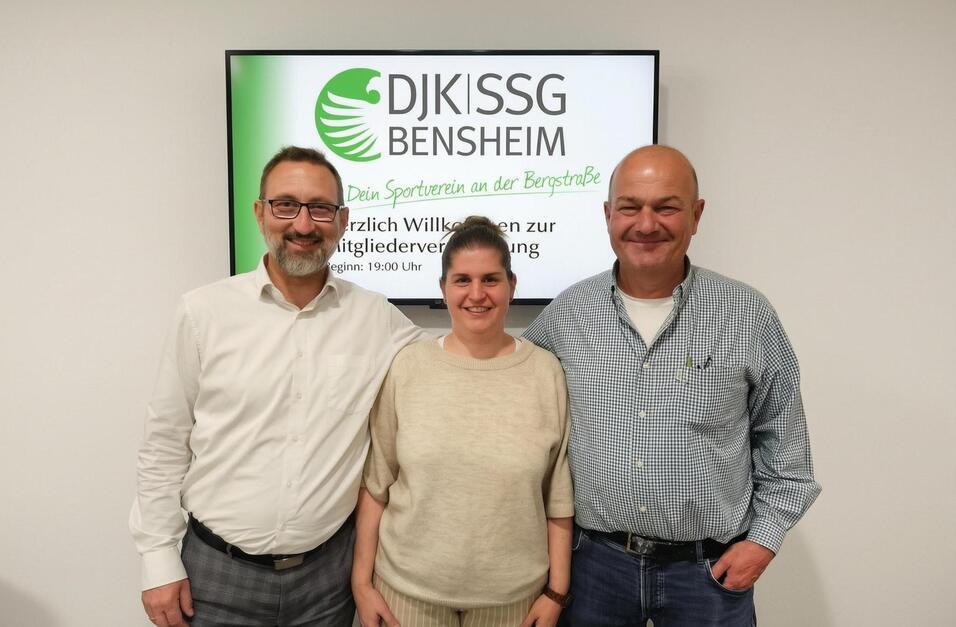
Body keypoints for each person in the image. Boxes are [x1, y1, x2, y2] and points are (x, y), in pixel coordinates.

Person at [523, 145, 821, 626]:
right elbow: (518, 414)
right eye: (630, 207)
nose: (646, 224)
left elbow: (786, 451)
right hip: (593, 569)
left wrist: (762, 542)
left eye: (666, 207)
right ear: (607, 215)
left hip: (707, 575)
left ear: (696, 215)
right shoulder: (566, 314)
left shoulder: (747, 315)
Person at [130, 146, 426, 627]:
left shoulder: (376, 317)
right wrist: (157, 558)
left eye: (321, 208)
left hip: (328, 581)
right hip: (215, 578)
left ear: (343, 220)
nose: (303, 225)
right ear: (260, 212)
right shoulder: (203, 313)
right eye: (286, 205)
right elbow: (164, 442)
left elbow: (448, 366)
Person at [352, 216, 574, 627]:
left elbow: (558, 497)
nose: (476, 294)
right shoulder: (407, 366)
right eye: (462, 280)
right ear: (443, 288)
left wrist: (556, 593)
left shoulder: (545, 373)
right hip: (405, 595)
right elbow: (377, 483)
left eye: (490, 279)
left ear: (512, 285)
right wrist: (361, 584)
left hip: (515, 602)